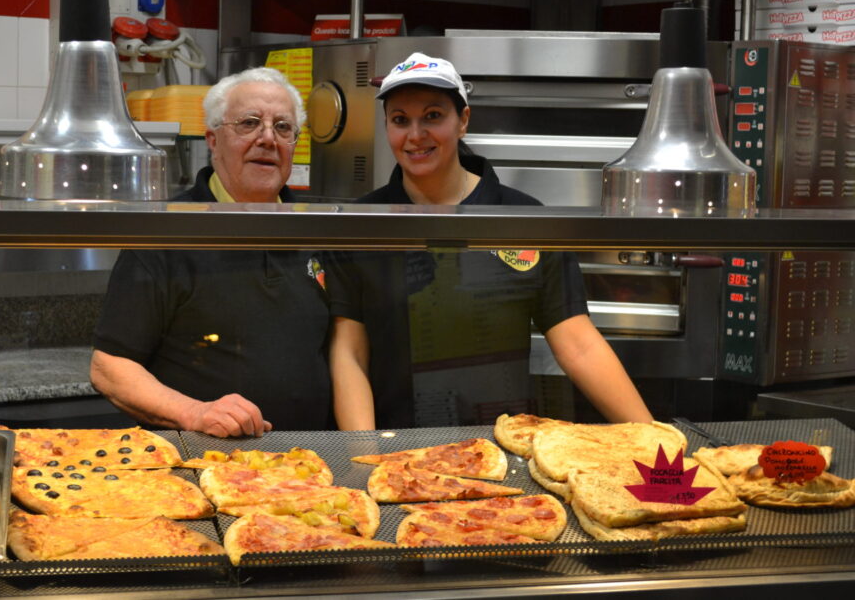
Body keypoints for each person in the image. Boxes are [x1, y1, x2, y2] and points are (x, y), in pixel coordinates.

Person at [327, 52, 654, 430]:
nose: (415, 135)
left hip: (500, 449)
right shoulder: (361, 225)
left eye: (433, 116)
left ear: (463, 120)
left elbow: (578, 342)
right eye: (400, 120)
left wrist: (654, 443)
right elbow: (349, 353)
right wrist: (363, 454)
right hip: (395, 452)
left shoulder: (522, 218)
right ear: (386, 128)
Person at [90, 67, 333, 437]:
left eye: (283, 127)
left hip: (309, 467)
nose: (268, 138)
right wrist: (194, 413)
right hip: (201, 465)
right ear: (213, 140)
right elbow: (109, 367)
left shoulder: (317, 230)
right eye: (249, 123)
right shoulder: (167, 233)